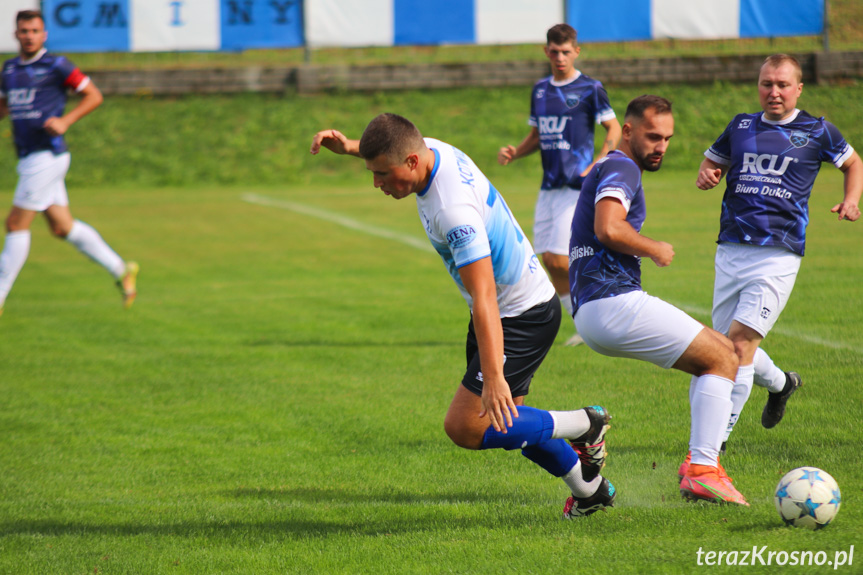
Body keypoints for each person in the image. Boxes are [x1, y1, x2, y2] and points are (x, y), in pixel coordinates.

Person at [311, 113, 615, 518]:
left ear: (412, 163)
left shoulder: (452, 212)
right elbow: (400, 143)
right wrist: (350, 145)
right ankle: (589, 491)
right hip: (508, 309)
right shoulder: (431, 149)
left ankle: (586, 423)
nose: (377, 183)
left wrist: (492, 377)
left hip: (519, 314)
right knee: (510, 424)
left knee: (469, 426)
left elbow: (485, 293)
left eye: (382, 174)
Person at [568, 95, 748, 506]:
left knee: (720, 354)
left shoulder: (617, 165)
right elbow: (608, 229)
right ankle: (702, 470)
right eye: (653, 136)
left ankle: (699, 468)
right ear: (627, 131)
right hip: (611, 302)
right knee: (724, 358)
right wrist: (654, 248)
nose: (661, 146)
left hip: (598, 307)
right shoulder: (621, 165)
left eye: (667, 138)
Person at [692, 54, 862, 458]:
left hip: (778, 255)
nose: (774, 92)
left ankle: (713, 447)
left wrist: (851, 199)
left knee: (737, 348)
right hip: (731, 248)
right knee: (721, 348)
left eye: (783, 84)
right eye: (767, 83)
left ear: (798, 88)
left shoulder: (818, 130)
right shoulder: (741, 125)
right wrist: (706, 174)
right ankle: (782, 384)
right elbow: (712, 163)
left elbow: (853, 163)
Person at [0, 10, 138, 317]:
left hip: (48, 155)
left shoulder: (56, 65)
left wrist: (66, 120)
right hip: (27, 156)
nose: (29, 35)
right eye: (24, 30)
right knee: (62, 227)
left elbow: (93, 95)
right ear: (15, 34)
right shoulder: (8, 70)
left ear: (44, 34)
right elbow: (4, 107)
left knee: (14, 224)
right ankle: (121, 269)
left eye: (35, 30)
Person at [498, 23, 620, 347]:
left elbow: (614, 128)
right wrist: (516, 152)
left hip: (575, 184)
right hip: (548, 185)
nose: (560, 57)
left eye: (566, 51)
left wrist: (600, 160)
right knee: (549, 260)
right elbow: (538, 136)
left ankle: (596, 309)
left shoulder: (590, 88)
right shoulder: (540, 90)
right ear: (546, 51)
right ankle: (582, 321)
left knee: (562, 258)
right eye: (554, 51)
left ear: (576, 52)